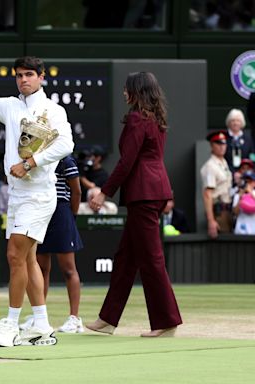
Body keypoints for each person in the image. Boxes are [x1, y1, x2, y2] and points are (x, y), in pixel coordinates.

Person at [0, 36, 74, 347]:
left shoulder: (53, 110)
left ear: (41, 78)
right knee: (27, 260)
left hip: (39, 193)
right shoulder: (11, 106)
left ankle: (10, 325)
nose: (23, 80)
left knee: (14, 255)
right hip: (17, 195)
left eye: (29, 74)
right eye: (19, 75)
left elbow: (66, 145)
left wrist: (30, 164)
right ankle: (41, 324)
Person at [86, 71, 182, 338]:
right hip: (153, 191)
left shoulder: (137, 119)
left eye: (127, 89)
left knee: (151, 260)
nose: (124, 93)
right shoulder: (155, 119)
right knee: (126, 259)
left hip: (144, 194)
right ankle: (107, 319)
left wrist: (104, 193)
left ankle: (166, 322)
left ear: (136, 91)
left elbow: (127, 162)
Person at [22, 155, 84, 334]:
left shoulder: (66, 160)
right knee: (40, 268)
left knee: (68, 268)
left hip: (61, 212)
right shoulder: (35, 158)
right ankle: (39, 315)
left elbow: (77, 191)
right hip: (41, 212)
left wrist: (70, 217)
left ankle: (74, 318)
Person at [200, 130, 233, 238]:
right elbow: (207, 194)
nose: (222, 146)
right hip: (218, 212)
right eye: (218, 143)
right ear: (211, 145)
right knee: (223, 247)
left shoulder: (224, 162)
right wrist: (211, 221)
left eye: (224, 143)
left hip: (228, 210)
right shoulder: (210, 166)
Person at [232, 170, 255, 235]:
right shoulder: (238, 195)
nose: (247, 183)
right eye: (246, 181)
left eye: (250, 181)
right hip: (241, 229)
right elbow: (235, 213)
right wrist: (240, 197)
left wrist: (250, 192)